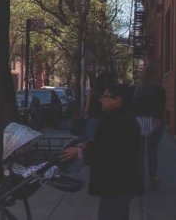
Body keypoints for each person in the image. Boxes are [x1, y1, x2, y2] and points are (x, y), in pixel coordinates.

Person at [61, 83, 144, 220]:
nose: (100, 99)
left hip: (118, 183)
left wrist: (80, 152)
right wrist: (86, 146)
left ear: (117, 100)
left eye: (105, 96)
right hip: (117, 184)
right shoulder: (116, 118)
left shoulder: (122, 122)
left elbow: (111, 154)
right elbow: (106, 144)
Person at [133, 70, 167, 187]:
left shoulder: (139, 89)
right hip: (155, 122)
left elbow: (134, 105)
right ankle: (152, 177)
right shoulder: (161, 90)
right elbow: (162, 106)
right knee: (152, 151)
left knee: (140, 152)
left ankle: (139, 178)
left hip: (140, 121)